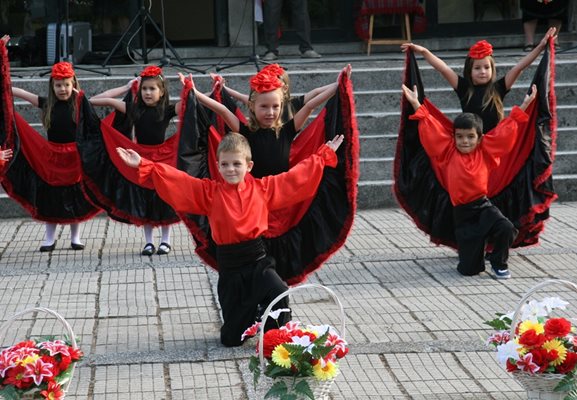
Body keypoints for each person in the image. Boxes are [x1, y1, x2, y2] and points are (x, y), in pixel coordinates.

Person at [116, 132, 343, 346]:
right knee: (231, 339)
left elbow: (294, 179)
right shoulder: (210, 192)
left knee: (279, 291)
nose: (231, 169)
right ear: (217, 166)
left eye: (237, 164)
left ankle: (276, 338)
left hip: (258, 261)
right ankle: (252, 315)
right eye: (225, 164)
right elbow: (180, 182)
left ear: (249, 166)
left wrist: (322, 156)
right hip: (230, 267)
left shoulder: (263, 189)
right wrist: (144, 164)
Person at [401, 82, 537, 279]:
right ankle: (475, 255)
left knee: (507, 228)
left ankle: (498, 261)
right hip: (462, 214)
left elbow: (506, 129)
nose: (465, 141)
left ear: (480, 138)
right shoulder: (448, 152)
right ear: (454, 137)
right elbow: (432, 127)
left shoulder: (486, 150)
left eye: (470, 137)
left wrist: (524, 105)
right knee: (469, 270)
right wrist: (416, 104)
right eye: (460, 136)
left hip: (483, 206)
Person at [188, 65, 349, 178]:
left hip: (281, 189)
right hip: (255, 191)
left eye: (275, 107)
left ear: (281, 105)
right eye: (264, 107)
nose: (270, 112)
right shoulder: (246, 131)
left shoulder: (287, 129)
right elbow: (222, 110)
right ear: (252, 106)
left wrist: (339, 83)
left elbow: (310, 105)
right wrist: (195, 93)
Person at [90, 66, 183, 256]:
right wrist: (125, 88)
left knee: (164, 197)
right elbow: (95, 100)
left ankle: (166, 240)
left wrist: (191, 88)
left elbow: (191, 102)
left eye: (152, 89)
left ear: (162, 91)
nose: (148, 93)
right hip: (139, 158)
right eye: (144, 89)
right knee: (144, 198)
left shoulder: (166, 110)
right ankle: (148, 242)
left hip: (162, 158)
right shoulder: (133, 108)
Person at [401, 27, 555, 133]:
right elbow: (443, 68)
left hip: (495, 142)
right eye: (477, 68)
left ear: (492, 69)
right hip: (470, 144)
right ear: (469, 70)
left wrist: (540, 47)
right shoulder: (463, 88)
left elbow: (519, 67)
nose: (483, 72)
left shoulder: (499, 88)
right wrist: (424, 51)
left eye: (486, 68)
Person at [11, 61, 90, 252]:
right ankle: (49, 237)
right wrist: (5, 85)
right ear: (52, 86)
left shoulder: (80, 103)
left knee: (75, 194)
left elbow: (97, 111)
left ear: (74, 85)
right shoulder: (47, 103)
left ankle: (75, 236)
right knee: (50, 195)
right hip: (52, 156)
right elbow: (21, 94)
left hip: (74, 157)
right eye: (58, 85)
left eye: (66, 85)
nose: (62, 89)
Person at [210, 63, 343, 123]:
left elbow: (315, 95)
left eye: (275, 83)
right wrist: (223, 89)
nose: (270, 111)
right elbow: (243, 98)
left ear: (284, 88)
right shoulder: (257, 104)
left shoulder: (292, 106)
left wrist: (339, 83)